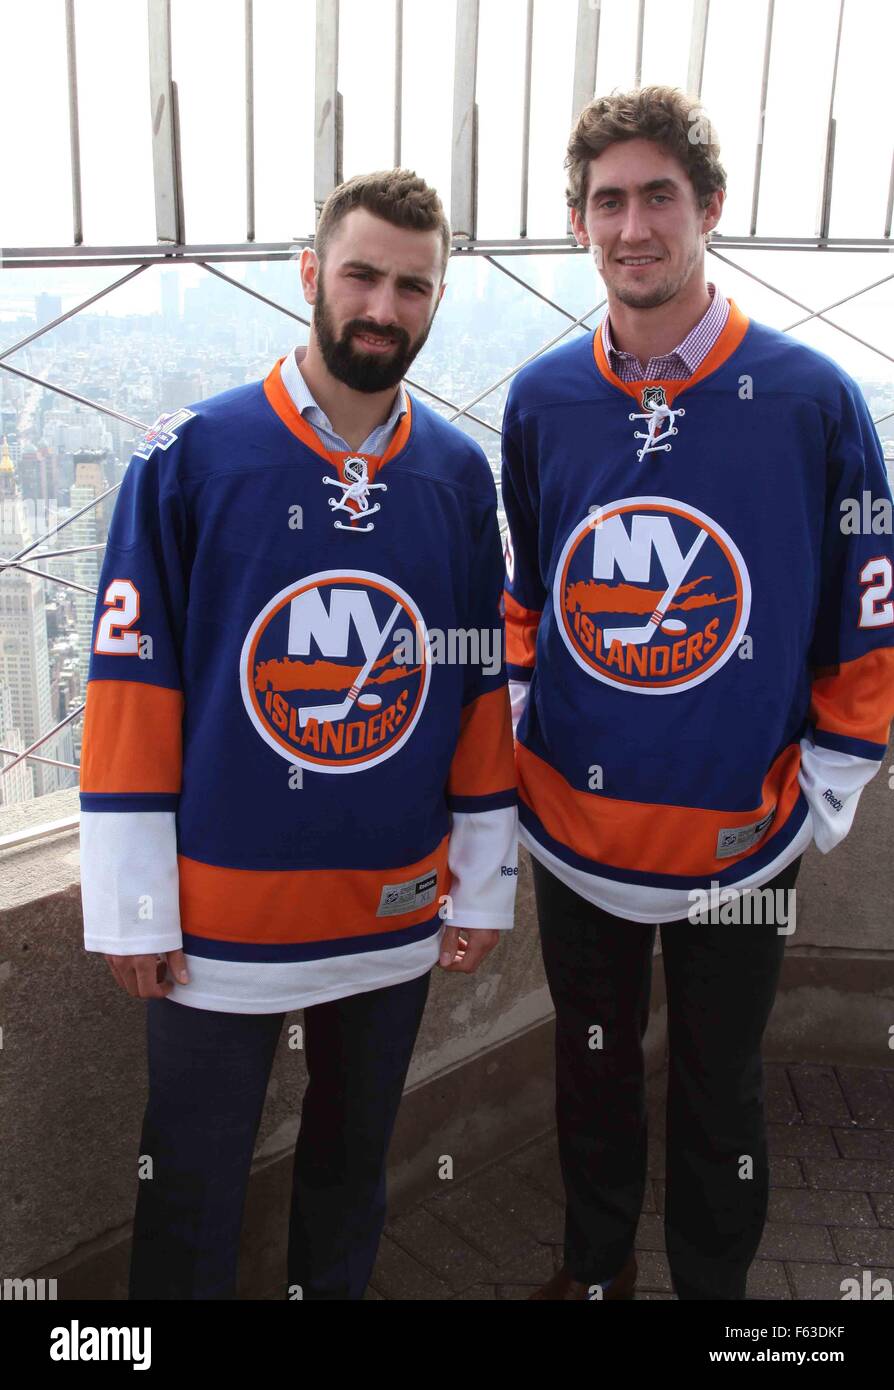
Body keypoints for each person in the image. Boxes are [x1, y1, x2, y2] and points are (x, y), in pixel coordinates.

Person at [79, 168, 518, 1300]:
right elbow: (133, 686)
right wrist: (136, 903)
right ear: (313, 273)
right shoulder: (187, 455)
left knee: (351, 1165)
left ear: (436, 299)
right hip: (217, 919)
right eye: (363, 274)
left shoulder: (462, 478)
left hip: (392, 904)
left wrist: (479, 882)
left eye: (413, 285)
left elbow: (477, 690)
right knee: (188, 1183)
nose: (384, 305)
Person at [501, 86, 894, 1301]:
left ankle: (714, 1292)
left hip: (743, 834)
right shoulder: (540, 398)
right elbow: (529, 592)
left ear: (708, 208)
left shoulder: (811, 399)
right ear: (578, 224)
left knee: (723, 1078)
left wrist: (825, 787)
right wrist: (523, 731)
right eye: (606, 201)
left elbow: (868, 601)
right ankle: (597, 1267)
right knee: (594, 1064)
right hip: (574, 833)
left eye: (657, 196)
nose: (633, 227)